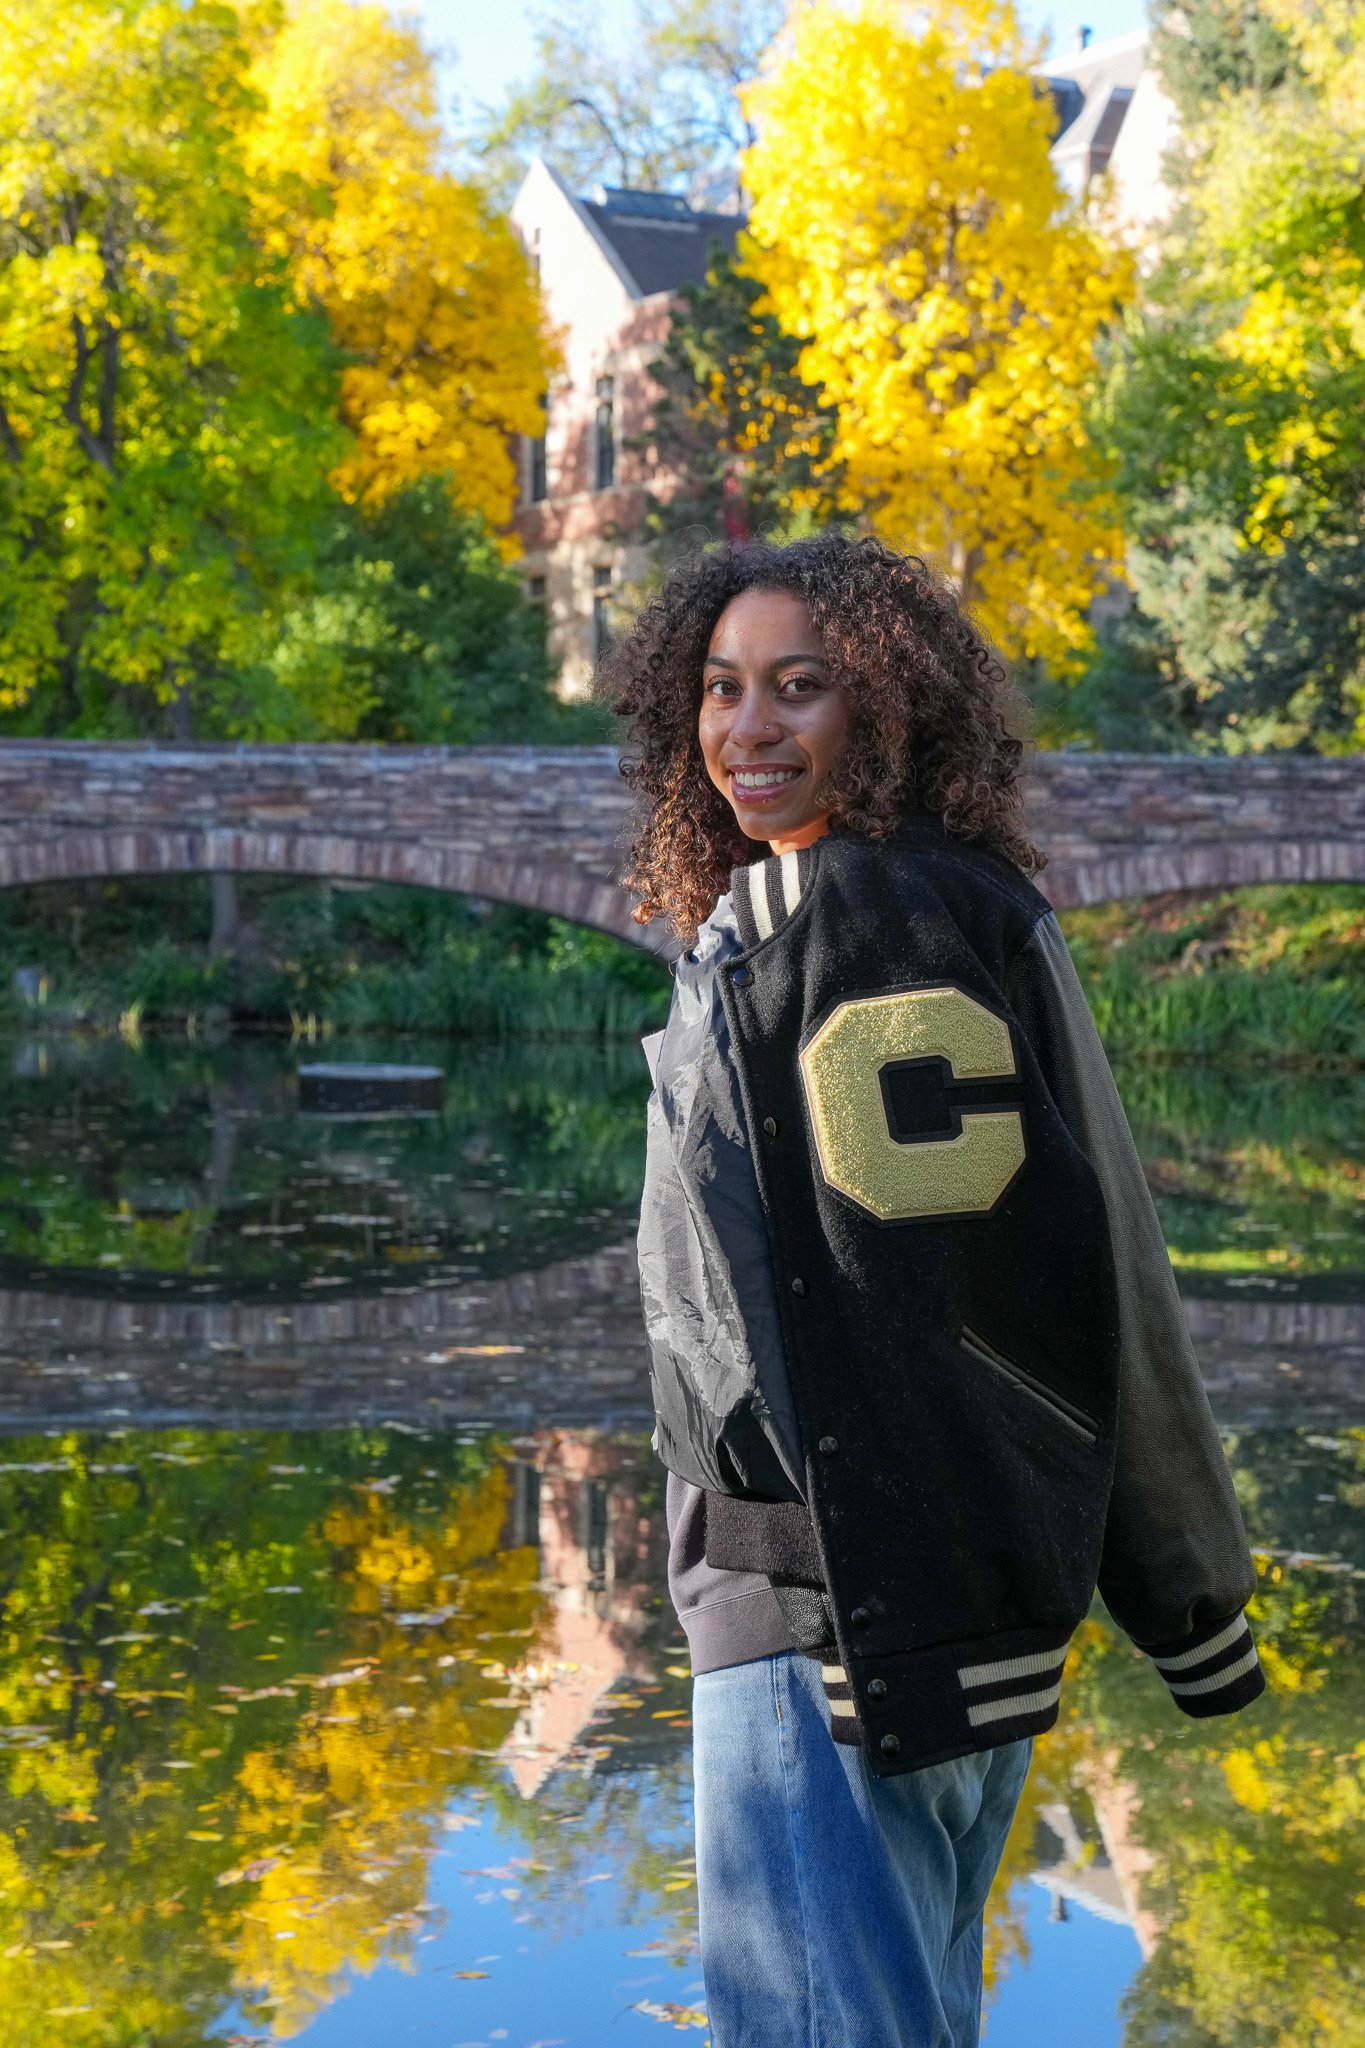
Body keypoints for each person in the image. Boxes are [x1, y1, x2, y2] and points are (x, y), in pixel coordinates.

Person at [602, 534, 1264, 2048]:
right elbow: (1115, 1275)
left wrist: (797, 1588)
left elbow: (810, 1325)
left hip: (823, 1618)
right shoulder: (976, 903)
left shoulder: (784, 939)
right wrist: (1184, 1601)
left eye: (800, 689)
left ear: (888, 710)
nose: (745, 732)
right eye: (718, 689)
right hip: (980, 1603)